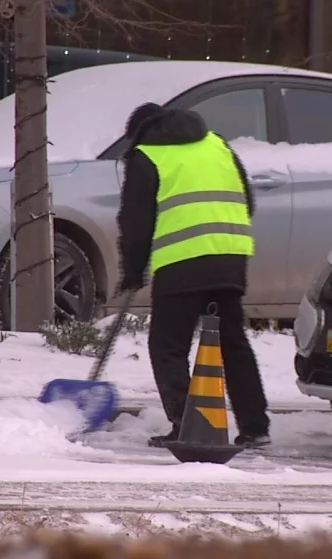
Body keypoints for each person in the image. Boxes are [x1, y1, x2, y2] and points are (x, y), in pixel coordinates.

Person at [115, 102, 272, 450]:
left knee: (167, 346)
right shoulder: (216, 143)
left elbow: (136, 220)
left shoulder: (147, 155)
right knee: (233, 343)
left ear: (139, 132)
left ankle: (187, 425)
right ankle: (255, 427)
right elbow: (247, 201)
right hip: (230, 256)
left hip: (181, 262)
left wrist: (133, 269)